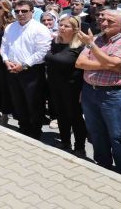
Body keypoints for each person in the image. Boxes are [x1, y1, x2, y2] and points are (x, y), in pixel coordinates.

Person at [75, 10, 121, 175]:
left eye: (110, 21)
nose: (103, 23)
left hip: (114, 94)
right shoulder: (97, 39)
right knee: (96, 131)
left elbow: (113, 63)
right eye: (102, 20)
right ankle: (102, 165)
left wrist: (93, 48)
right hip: (90, 91)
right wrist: (110, 64)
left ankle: (120, 171)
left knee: (117, 135)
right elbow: (80, 63)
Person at [1, 0, 52, 139]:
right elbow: (4, 46)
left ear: (32, 12)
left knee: (34, 103)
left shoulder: (40, 29)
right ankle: (23, 128)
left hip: (32, 72)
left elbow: (42, 51)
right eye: (17, 11)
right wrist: (6, 60)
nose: (20, 14)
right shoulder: (10, 27)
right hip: (12, 69)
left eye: (24, 11)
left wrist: (23, 65)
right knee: (18, 101)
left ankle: (35, 132)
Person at [45, 16, 87, 155]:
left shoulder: (80, 47)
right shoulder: (55, 42)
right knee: (61, 115)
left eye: (66, 26)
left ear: (75, 29)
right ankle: (65, 142)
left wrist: (82, 91)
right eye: (61, 25)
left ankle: (80, 147)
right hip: (55, 86)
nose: (62, 28)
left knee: (75, 117)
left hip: (72, 88)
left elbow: (85, 70)